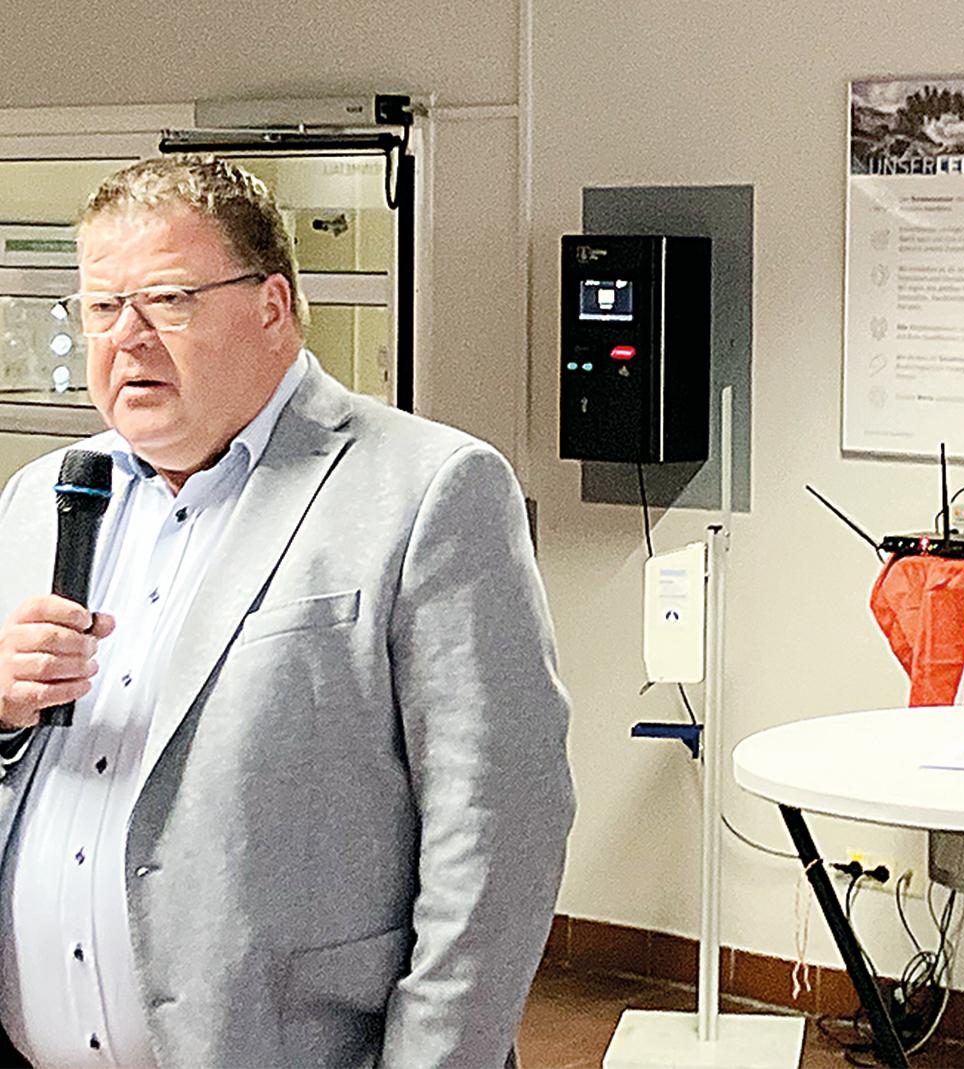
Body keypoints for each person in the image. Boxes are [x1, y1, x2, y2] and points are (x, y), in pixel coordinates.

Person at [0, 155, 574, 1067]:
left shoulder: (429, 490)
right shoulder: (44, 498)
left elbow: (497, 834)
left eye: (168, 300)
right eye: (102, 306)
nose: (126, 338)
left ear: (271, 306)